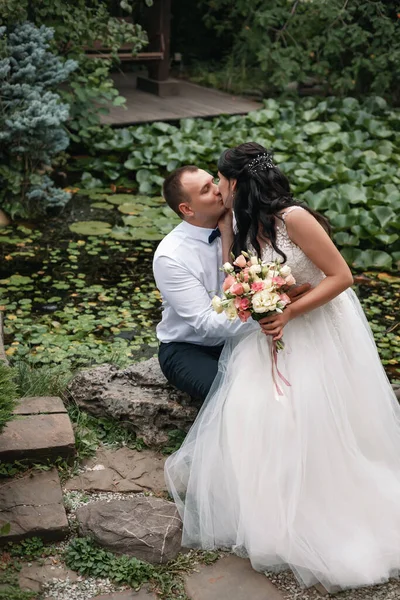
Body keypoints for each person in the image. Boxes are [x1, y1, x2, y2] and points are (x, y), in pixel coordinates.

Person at [165, 142, 400, 593]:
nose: (217, 189)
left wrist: (290, 311)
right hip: (271, 331)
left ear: (238, 183)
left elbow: (342, 277)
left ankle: (325, 509)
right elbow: (237, 276)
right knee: (246, 409)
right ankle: (269, 514)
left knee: (310, 415)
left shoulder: (294, 218)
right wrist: (251, 285)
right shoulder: (241, 222)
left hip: (317, 326)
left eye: (221, 181)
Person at [153, 165, 309, 401]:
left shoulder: (243, 222)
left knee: (299, 387)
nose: (218, 190)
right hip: (190, 348)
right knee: (236, 398)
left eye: (213, 182)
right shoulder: (172, 257)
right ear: (187, 209)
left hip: (244, 339)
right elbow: (205, 324)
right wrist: (270, 310)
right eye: (206, 190)